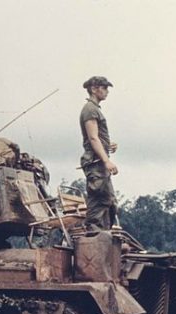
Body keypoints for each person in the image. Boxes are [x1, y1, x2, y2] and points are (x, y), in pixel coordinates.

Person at [79, 76, 119, 231]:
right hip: (96, 163)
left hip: (99, 162)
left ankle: (104, 238)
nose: (107, 91)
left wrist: (108, 145)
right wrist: (106, 161)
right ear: (94, 89)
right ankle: (93, 239)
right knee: (100, 201)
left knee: (109, 202)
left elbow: (97, 139)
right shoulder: (90, 109)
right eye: (104, 88)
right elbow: (93, 138)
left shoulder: (94, 109)